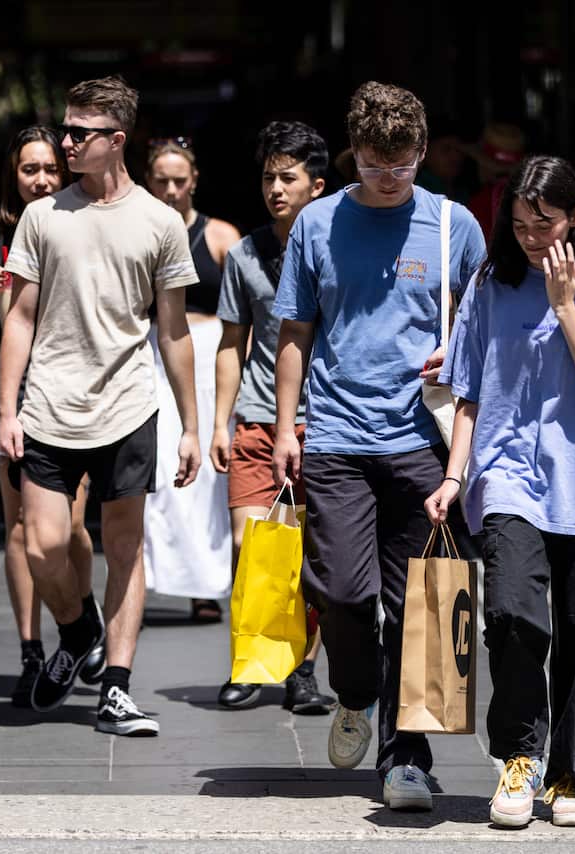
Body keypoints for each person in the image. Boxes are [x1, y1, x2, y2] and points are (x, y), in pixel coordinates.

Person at [272, 82, 486, 812]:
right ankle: (356, 692)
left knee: (419, 607)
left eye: (403, 163)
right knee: (341, 591)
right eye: (374, 162)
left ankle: (407, 762)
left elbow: (484, 334)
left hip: (422, 439)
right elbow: (295, 330)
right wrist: (282, 428)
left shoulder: (454, 226)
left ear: (422, 153)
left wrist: (453, 351)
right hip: (334, 433)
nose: (389, 176)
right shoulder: (317, 224)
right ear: (353, 152)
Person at [425, 155, 575, 828]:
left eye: (543, 223)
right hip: (507, 476)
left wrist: (564, 308)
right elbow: (467, 392)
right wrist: (454, 475)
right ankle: (518, 760)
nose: (529, 237)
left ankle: (568, 777)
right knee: (512, 615)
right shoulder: (493, 283)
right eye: (519, 224)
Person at [0, 76, 201, 737]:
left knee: (124, 546)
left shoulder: (160, 222)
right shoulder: (43, 215)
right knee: (42, 546)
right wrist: (8, 409)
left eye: (79, 133)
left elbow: (172, 330)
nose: (66, 142)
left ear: (115, 142)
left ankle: (116, 686)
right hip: (50, 405)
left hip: (128, 404)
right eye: (65, 129)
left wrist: (192, 426)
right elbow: (21, 316)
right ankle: (77, 627)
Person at [0, 126, 101, 708]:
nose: (40, 178)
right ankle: (31, 650)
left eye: (48, 168)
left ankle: (80, 622)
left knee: (68, 527)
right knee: (19, 529)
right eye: (28, 169)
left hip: (73, 392)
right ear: (12, 177)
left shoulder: (81, 224)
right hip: (10, 394)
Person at [209, 120, 333, 713]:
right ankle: (251, 658)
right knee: (250, 544)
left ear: (318, 185)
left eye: (288, 178)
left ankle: (301, 669)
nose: (276, 189)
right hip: (258, 419)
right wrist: (218, 422)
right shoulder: (244, 254)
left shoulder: (338, 248)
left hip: (327, 421)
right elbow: (232, 342)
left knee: (310, 556)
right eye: (268, 178)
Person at [143, 138, 240, 622]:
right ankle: (154, 575)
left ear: (194, 180)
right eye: (161, 180)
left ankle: (207, 584)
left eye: (179, 180)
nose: (171, 189)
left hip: (210, 353)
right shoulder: (137, 231)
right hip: (154, 354)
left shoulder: (221, 236)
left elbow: (249, 306)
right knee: (159, 470)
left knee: (207, 478)